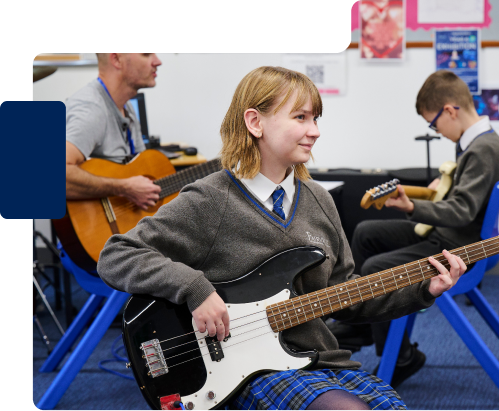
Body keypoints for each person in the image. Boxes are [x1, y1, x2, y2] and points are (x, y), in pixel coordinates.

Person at [97, 66, 467, 411]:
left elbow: (346, 296)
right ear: (255, 122)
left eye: (316, 118)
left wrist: (423, 289)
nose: (315, 130)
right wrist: (195, 289)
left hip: (321, 360)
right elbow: (117, 254)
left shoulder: (319, 200)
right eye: (300, 117)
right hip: (249, 375)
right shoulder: (210, 200)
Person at [327, 69, 499, 388]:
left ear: (451, 110)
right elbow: (465, 195)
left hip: (458, 247)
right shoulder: (477, 142)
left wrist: (413, 205)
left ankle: (401, 358)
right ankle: (362, 323)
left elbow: (462, 210)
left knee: (375, 267)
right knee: (366, 233)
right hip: (448, 235)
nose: (436, 131)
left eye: (434, 122)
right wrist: (443, 187)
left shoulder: (483, 149)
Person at [65, 53, 163, 210]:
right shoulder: (92, 109)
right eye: (146, 54)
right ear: (117, 60)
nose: (158, 62)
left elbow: (138, 169)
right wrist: (123, 188)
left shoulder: (126, 107)